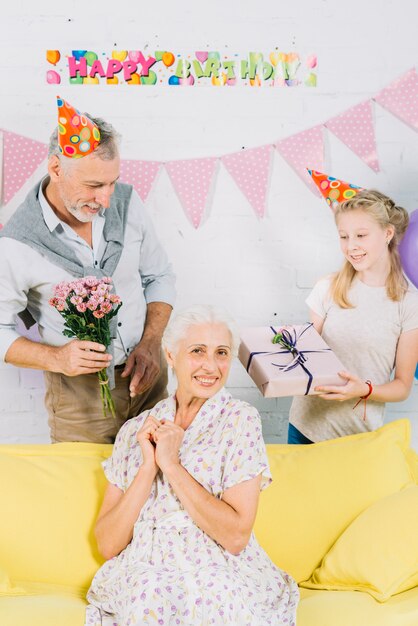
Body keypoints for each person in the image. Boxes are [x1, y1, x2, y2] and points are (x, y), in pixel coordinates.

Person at [85, 304, 299, 626]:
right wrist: (148, 467)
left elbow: (237, 536)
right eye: (197, 351)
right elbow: (107, 543)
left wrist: (171, 466)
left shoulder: (240, 421)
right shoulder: (135, 430)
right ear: (170, 355)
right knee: (150, 596)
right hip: (148, 568)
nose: (210, 366)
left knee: (221, 597)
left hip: (221, 567)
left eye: (222, 353)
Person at [0, 97, 176, 443]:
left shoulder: (127, 201)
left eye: (112, 182)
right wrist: (57, 358)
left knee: (157, 487)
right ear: (55, 169)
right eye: (94, 185)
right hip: (78, 401)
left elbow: (159, 276)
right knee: (86, 491)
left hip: (149, 380)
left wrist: (151, 342)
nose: (107, 199)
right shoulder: (16, 244)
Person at [289, 188, 418, 444]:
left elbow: (402, 386)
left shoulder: (409, 304)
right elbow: (304, 358)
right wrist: (287, 349)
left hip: (357, 437)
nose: (351, 246)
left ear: (387, 233)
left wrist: (364, 390)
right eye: (344, 237)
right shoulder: (328, 287)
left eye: (361, 235)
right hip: (305, 428)